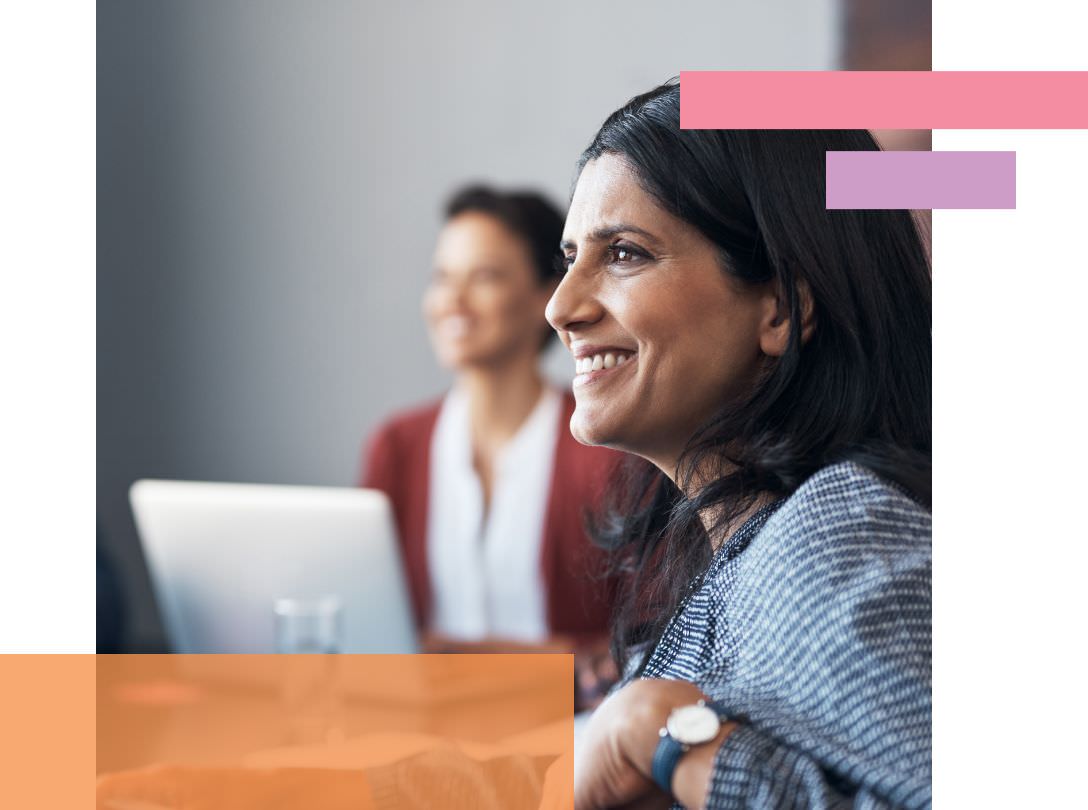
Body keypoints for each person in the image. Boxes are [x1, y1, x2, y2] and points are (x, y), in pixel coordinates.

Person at [547, 83, 932, 808]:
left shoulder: (837, 534)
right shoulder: (744, 544)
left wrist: (659, 731)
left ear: (782, 306)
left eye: (624, 254)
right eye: (570, 258)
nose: (562, 306)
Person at [361, 185, 621, 701]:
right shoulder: (397, 446)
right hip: (418, 733)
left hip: (566, 743)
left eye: (484, 276)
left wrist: (487, 666)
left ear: (547, 295)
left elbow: (645, 648)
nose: (451, 302)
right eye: (441, 278)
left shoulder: (607, 451)